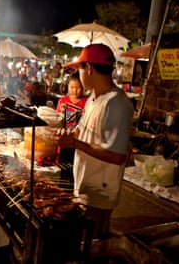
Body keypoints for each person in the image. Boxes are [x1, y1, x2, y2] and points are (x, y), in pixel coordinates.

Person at [54, 44, 134, 239]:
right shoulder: (92, 98)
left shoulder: (117, 103)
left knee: (92, 243)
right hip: (84, 183)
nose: (78, 75)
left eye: (79, 69)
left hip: (100, 192)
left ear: (88, 68)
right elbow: (82, 131)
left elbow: (117, 155)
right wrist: (68, 135)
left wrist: (76, 144)